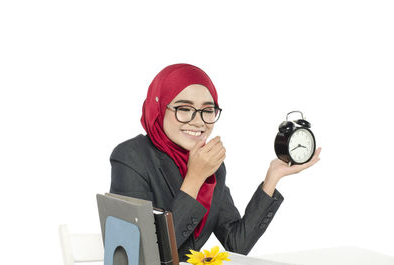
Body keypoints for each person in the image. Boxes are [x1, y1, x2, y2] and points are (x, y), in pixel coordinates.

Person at [109, 63, 321, 261]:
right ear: (159, 107)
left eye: (208, 110)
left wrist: (272, 177)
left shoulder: (211, 164)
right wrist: (195, 177)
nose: (199, 121)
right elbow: (144, 255)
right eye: (184, 108)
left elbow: (236, 244)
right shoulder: (131, 157)